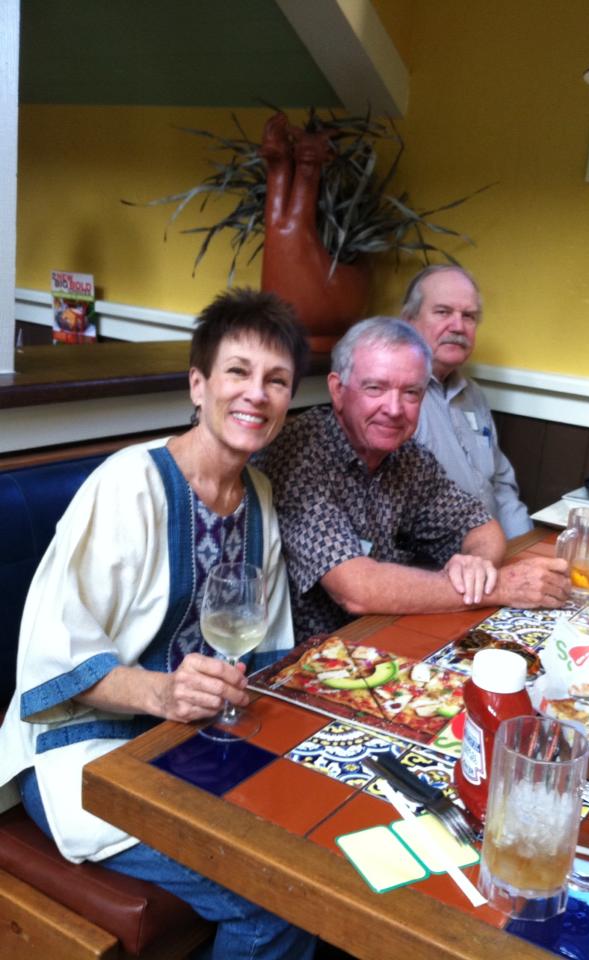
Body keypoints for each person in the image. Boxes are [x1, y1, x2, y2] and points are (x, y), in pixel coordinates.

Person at [0, 289, 316, 960]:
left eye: (276, 379)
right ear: (198, 385)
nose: (256, 393)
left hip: (193, 748)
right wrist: (165, 693)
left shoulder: (259, 497)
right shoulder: (127, 486)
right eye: (238, 371)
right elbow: (53, 664)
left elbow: (265, 652)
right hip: (83, 754)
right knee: (276, 898)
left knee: (312, 845)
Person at [255, 317, 569, 644]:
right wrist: (500, 587)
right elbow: (356, 590)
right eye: (375, 388)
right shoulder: (301, 451)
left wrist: (476, 567)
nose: (394, 409)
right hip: (308, 657)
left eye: (410, 392)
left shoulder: (408, 456)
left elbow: (481, 525)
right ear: (337, 389)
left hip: (384, 635)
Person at [401, 265, 533, 539]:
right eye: (443, 312)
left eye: (468, 316)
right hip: (440, 558)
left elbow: (501, 486)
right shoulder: (394, 398)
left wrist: (524, 546)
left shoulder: (473, 395)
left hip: (493, 549)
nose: (458, 326)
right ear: (409, 321)